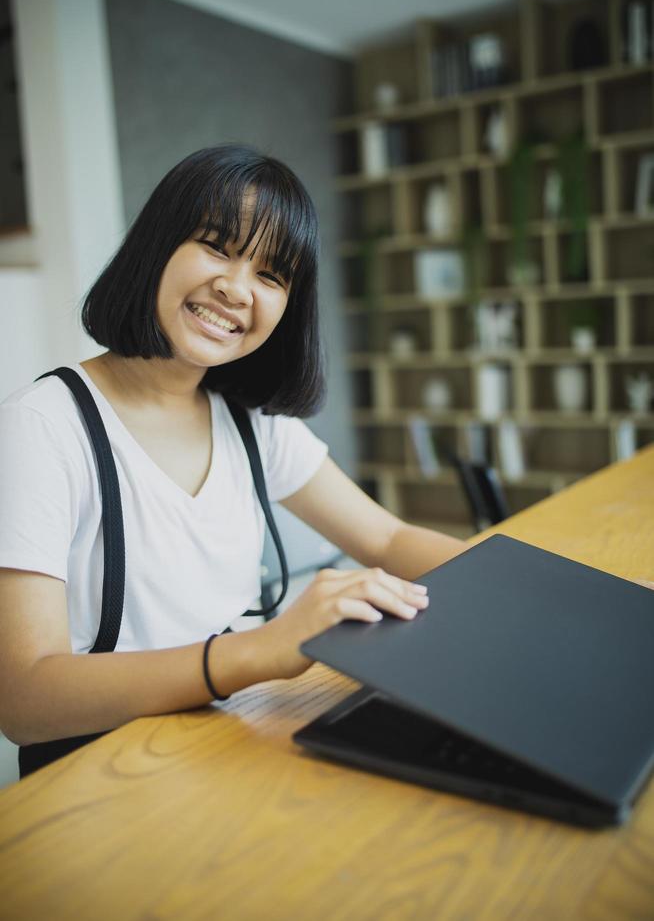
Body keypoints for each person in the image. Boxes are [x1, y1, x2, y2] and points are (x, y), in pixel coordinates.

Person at [0, 144, 469, 771]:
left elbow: (385, 537)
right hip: (99, 776)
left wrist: (535, 586)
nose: (235, 288)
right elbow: (23, 700)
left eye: (270, 275)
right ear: (155, 246)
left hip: (226, 743)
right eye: (217, 246)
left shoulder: (250, 425)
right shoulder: (43, 427)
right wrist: (257, 652)